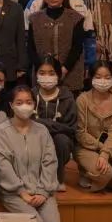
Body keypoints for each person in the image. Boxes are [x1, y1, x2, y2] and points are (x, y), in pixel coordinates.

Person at [0, 86, 61, 222]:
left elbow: (50, 161)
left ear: (34, 104)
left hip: (42, 191)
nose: (24, 106)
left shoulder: (42, 130)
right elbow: (2, 166)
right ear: (11, 105)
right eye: (19, 102)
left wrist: (43, 192)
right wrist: (21, 192)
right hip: (13, 193)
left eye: (29, 102)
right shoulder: (2, 132)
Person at [74, 61, 112, 195]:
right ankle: (99, 175)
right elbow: (80, 133)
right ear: (91, 78)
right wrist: (103, 150)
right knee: (105, 173)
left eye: (107, 77)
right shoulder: (82, 100)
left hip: (108, 148)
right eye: (98, 77)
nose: (103, 81)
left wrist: (105, 153)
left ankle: (108, 179)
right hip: (86, 148)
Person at [27, 0, 85, 94]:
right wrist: (42, 69)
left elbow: (77, 47)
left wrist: (65, 69)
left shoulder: (76, 18)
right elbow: (31, 48)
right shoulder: (34, 18)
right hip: (42, 74)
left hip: (70, 73)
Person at [32, 55, 77, 190]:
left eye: (51, 73)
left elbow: (70, 128)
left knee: (62, 140)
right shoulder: (30, 95)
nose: (47, 77)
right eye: (42, 73)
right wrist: (52, 125)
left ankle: (57, 177)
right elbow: (27, 121)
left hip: (59, 138)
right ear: (36, 75)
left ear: (58, 75)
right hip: (35, 136)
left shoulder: (67, 97)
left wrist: (43, 124)